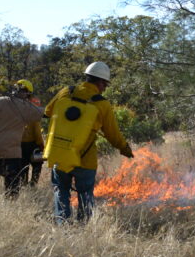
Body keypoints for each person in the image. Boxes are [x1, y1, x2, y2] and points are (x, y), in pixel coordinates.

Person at [45, 61, 133, 224]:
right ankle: (84, 227)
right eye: (105, 85)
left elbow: (48, 111)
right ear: (100, 82)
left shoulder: (66, 92)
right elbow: (112, 134)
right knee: (85, 194)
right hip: (85, 160)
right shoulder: (102, 104)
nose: (104, 88)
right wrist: (124, 148)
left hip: (60, 155)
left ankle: (62, 225)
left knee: (61, 190)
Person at [0, 80, 43, 198]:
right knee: (12, 188)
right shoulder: (26, 107)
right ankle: (10, 208)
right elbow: (46, 113)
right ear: (27, 93)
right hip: (11, 153)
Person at [17, 80, 45, 186]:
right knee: (37, 165)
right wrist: (42, 146)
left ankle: (24, 186)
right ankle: (32, 186)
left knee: (23, 167)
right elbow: (37, 131)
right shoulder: (32, 109)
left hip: (18, 144)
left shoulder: (13, 107)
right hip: (32, 144)